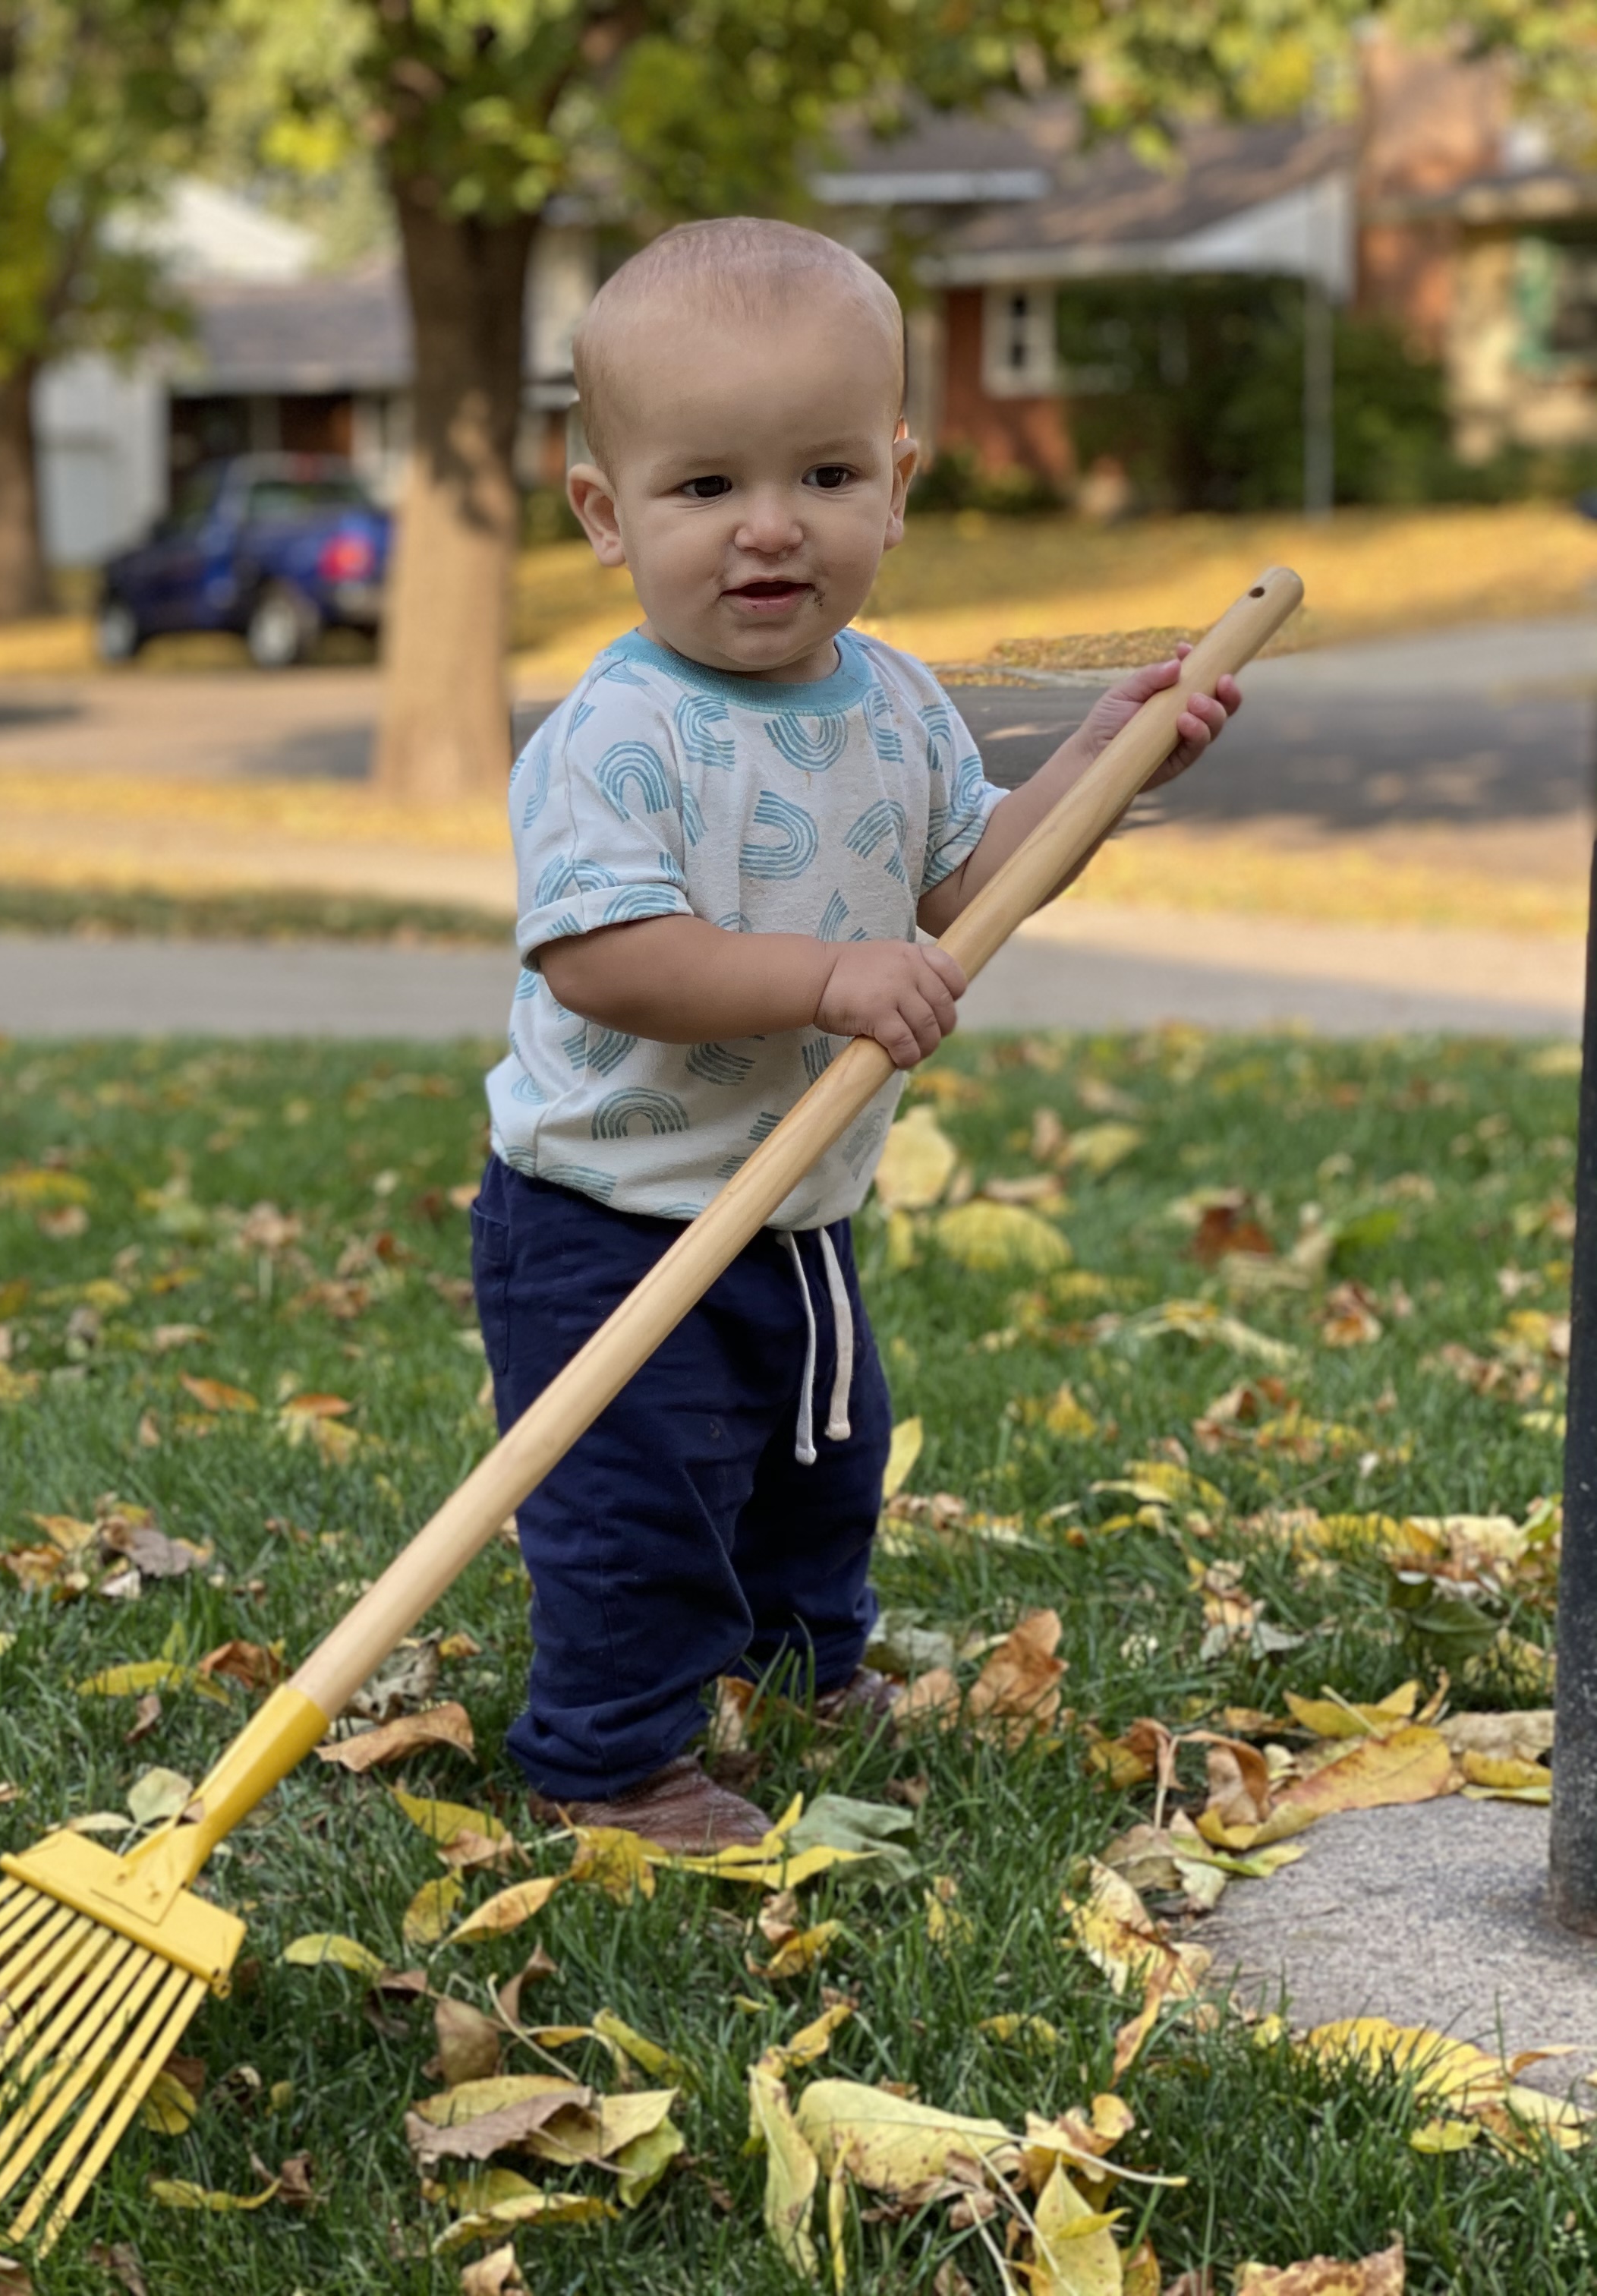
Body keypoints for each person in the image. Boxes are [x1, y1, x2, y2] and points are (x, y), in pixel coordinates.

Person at [473, 217, 1244, 1852]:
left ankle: (804, 1667)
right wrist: (829, 980)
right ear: (607, 515)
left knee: (821, 1459)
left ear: (899, 480)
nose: (770, 530)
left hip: (796, 1202)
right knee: (641, 1499)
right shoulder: (622, 731)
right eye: (704, 490)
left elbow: (972, 881)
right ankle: (605, 1758)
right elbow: (607, 959)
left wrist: (1104, 763)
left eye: (825, 477)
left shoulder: (892, 703)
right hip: (612, 1219)